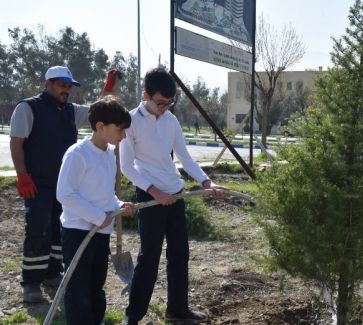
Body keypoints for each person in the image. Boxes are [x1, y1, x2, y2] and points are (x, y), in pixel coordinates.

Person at [119, 67, 225, 324]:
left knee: (179, 254)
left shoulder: (170, 121)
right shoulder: (130, 122)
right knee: (149, 258)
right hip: (150, 196)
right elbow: (126, 166)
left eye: (169, 103)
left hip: (175, 195)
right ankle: (133, 316)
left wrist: (205, 181)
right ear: (146, 95)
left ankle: (177, 310)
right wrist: (154, 191)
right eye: (159, 103)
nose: (164, 108)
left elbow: (184, 157)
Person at [9, 66, 119, 302]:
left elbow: (98, 112)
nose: (66, 90)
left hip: (66, 184)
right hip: (37, 183)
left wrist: (108, 89)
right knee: (38, 229)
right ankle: (31, 282)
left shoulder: (71, 111)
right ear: (47, 84)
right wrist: (22, 175)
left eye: (69, 86)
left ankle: (52, 273)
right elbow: (17, 142)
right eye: (62, 85)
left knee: (59, 231)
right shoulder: (28, 108)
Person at [56, 96, 135, 325]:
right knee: (78, 288)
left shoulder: (109, 153)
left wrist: (117, 205)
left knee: (95, 285)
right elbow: (65, 194)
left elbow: (103, 193)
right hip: (78, 232)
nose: (124, 135)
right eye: (120, 130)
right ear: (100, 127)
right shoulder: (78, 154)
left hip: (101, 232)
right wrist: (98, 216)